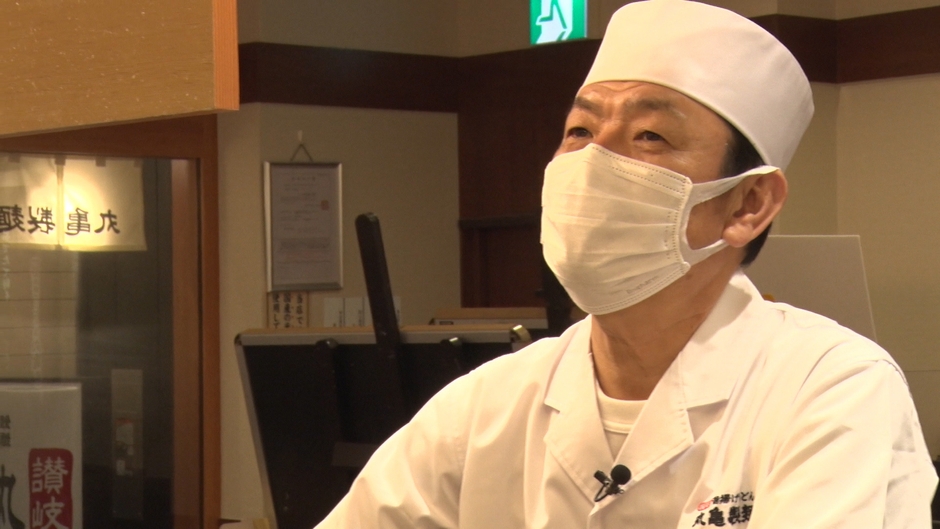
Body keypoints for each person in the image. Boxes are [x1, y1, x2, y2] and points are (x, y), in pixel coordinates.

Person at [316, 1, 938, 527]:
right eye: (580, 132)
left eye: (650, 137)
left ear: (748, 203)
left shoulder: (831, 389)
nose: (594, 161)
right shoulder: (486, 408)